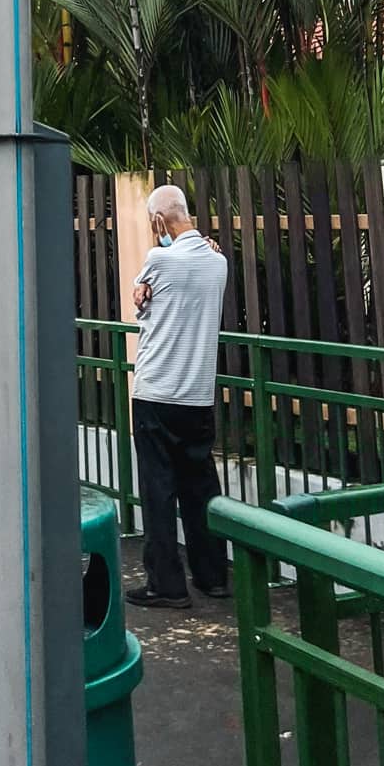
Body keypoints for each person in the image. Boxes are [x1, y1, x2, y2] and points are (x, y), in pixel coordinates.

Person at [125, 184, 229, 611]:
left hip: (156, 392)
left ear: (157, 221)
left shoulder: (157, 258)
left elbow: (143, 304)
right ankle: (213, 576)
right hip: (197, 394)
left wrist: (139, 290)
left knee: (158, 491)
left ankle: (166, 585)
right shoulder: (218, 262)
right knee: (201, 486)